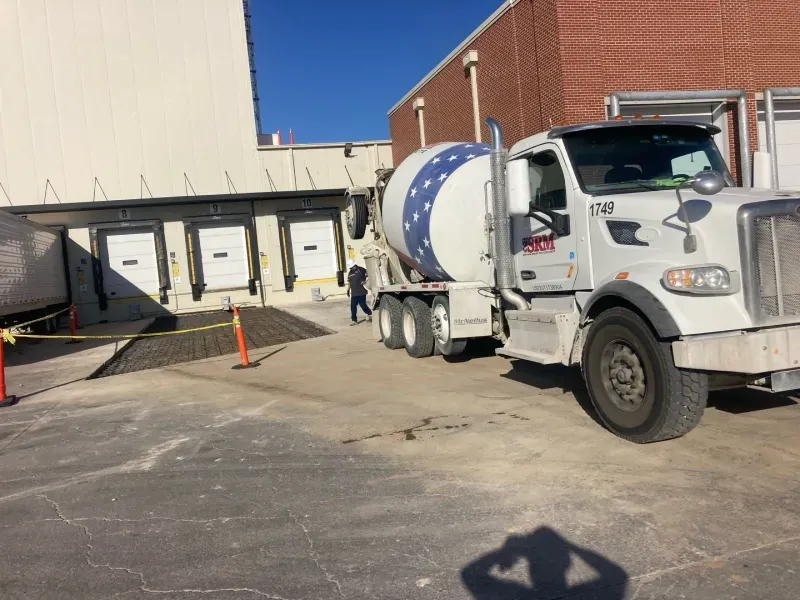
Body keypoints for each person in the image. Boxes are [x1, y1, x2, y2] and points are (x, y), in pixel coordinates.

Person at [346, 258, 372, 326]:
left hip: (361, 291)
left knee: (363, 305)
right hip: (354, 293)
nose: (351, 268)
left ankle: (370, 314)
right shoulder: (350, 273)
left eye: (351, 267)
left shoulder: (361, 270)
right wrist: (348, 290)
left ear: (354, 265)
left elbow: (370, 275)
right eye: (350, 267)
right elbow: (349, 282)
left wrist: (365, 282)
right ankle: (354, 320)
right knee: (353, 307)